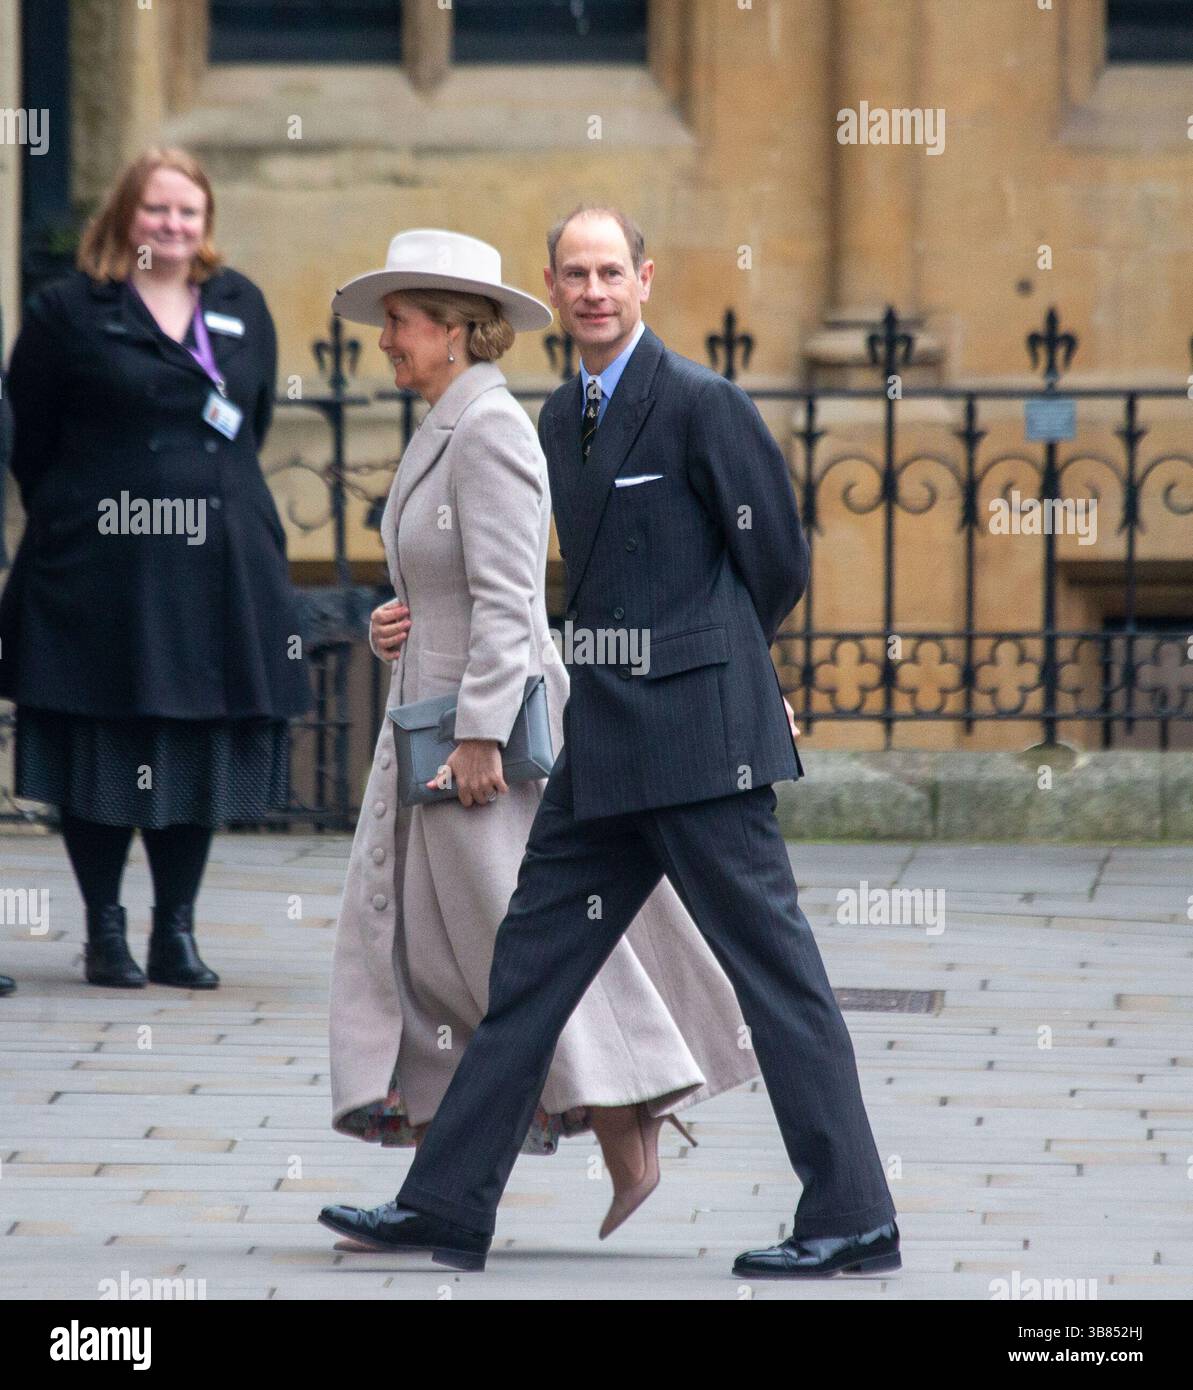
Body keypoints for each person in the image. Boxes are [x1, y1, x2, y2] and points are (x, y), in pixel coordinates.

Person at [320, 206, 901, 1280]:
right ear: (553, 284)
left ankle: (854, 1213)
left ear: (643, 281)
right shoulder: (554, 417)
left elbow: (771, 557)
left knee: (776, 977)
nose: (592, 291)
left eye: (609, 273)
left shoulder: (699, 403)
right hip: (602, 747)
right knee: (528, 975)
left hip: (699, 745)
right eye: (573, 275)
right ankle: (447, 1204)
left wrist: (719, 669)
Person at [0, 148, 312, 989]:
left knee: (194, 740)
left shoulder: (240, 303)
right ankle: (105, 932)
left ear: (205, 225)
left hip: (218, 568)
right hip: (101, 568)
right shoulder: (68, 311)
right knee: (99, 738)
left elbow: (249, 419)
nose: (172, 227)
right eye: (156, 211)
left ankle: (175, 930)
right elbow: (27, 438)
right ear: (124, 218)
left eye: (187, 213)